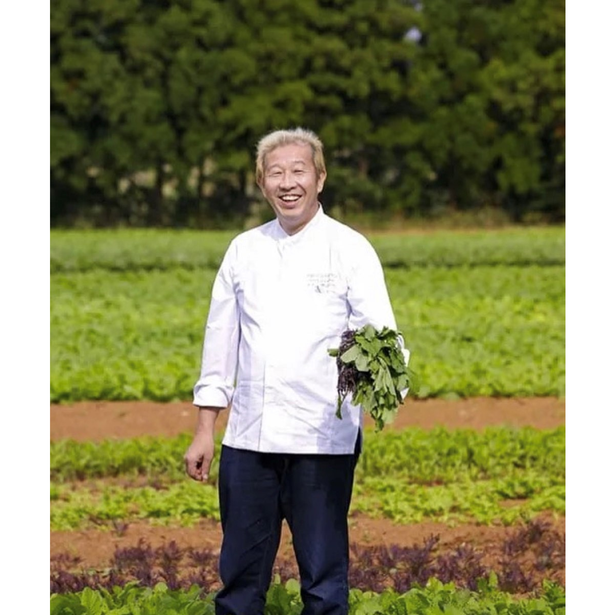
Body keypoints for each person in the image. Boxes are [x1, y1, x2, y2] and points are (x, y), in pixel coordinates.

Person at [184, 127, 407, 615]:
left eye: (299, 171)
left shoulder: (350, 248)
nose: (287, 183)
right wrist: (205, 430)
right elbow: (220, 343)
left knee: (324, 581)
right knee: (240, 580)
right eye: (275, 173)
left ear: (320, 178)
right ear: (261, 183)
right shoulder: (244, 249)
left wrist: (383, 384)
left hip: (322, 439)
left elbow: (383, 337)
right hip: (249, 440)